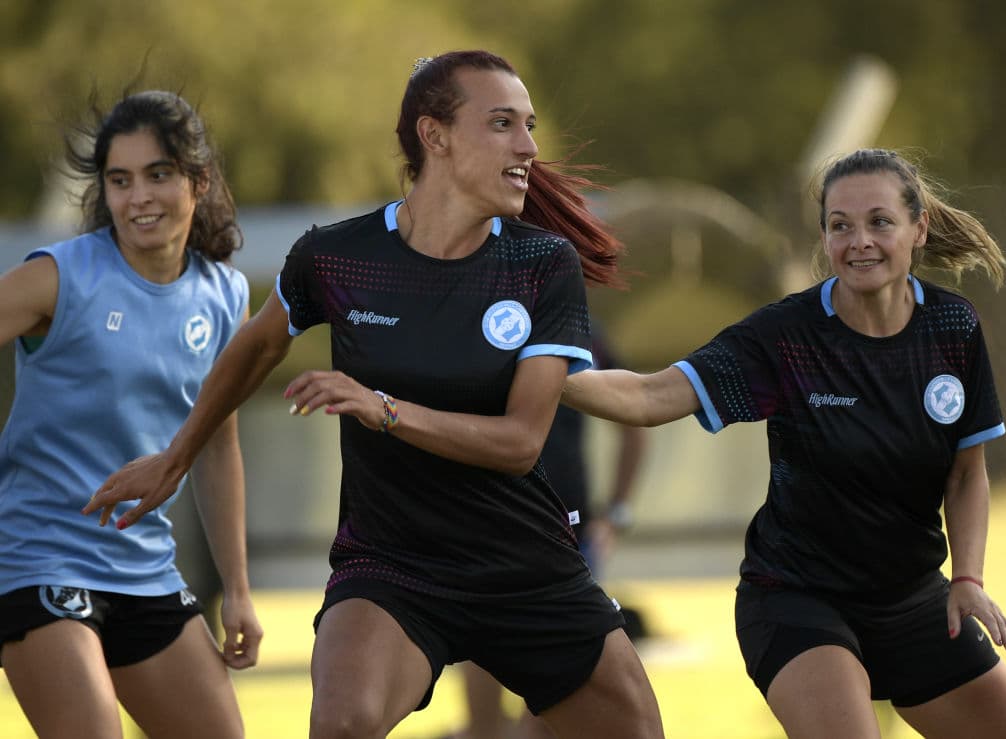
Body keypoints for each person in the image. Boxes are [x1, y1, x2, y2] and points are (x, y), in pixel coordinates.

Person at [84, 51, 665, 739]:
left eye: (529, 126)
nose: (529, 147)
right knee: (341, 723)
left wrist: (381, 407)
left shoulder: (541, 265)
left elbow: (518, 443)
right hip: (391, 567)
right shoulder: (337, 257)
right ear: (435, 135)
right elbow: (255, 345)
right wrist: (174, 457)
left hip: (527, 569)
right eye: (504, 123)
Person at [561, 148, 1006, 738]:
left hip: (914, 603)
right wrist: (546, 375)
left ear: (918, 228)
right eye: (840, 226)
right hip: (798, 602)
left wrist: (968, 581)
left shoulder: (952, 328)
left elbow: (966, 474)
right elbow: (652, 397)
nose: (859, 241)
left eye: (880, 222)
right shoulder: (787, 336)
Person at [0, 90, 262, 739]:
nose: (137, 196)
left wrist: (237, 586)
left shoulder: (224, 295)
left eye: (158, 174)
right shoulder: (61, 277)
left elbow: (217, 446)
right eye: (120, 180)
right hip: (38, 560)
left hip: (144, 569)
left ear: (198, 181)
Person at [451, 323, 648, 739]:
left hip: (567, 525)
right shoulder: (476, 318)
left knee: (569, 664)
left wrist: (615, 514)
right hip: (490, 520)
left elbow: (636, 419)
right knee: (483, 648)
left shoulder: (583, 334)